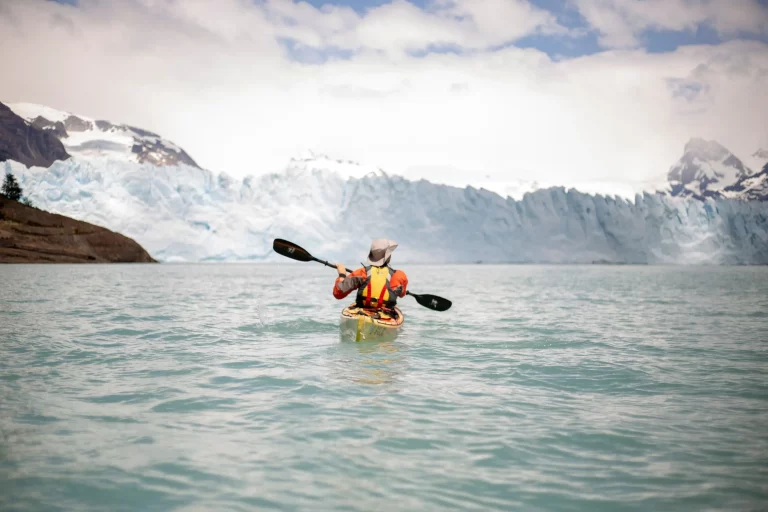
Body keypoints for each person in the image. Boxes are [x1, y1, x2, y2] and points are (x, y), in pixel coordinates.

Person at [333, 238, 408, 312]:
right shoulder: (399, 275)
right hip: (387, 314)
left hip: (362, 311)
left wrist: (342, 274)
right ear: (388, 257)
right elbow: (401, 294)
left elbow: (338, 293)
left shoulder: (362, 273)